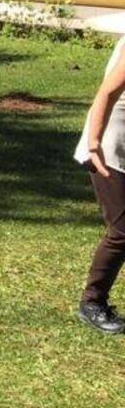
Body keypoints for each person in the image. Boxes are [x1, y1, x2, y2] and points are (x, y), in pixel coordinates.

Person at [74, 33, 125, 333]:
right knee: (122, 231)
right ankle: (92, 302)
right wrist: (94, 142)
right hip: (109, 148)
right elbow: (106, 93)